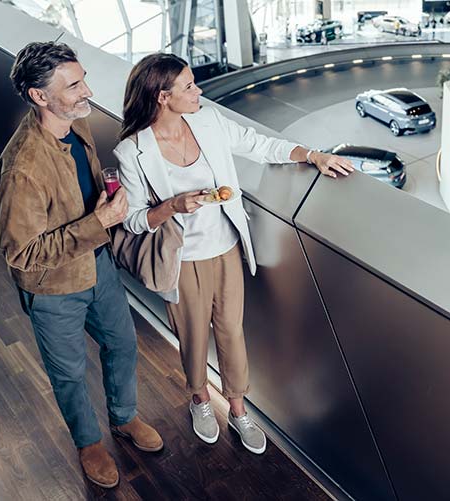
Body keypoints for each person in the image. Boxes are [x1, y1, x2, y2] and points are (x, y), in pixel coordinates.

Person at [114, 54, 354, 452]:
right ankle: (199, 400)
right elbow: (135, 220)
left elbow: (260, 145)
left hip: (226, 247)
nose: (199, 91)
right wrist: (173, 206)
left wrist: (313, 156)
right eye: (189, 86)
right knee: (191, 334)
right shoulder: (131, 152)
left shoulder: (208, 121)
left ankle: (239, 409)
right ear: (162, 97)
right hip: (183, 258)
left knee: (230, 331)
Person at [0, 41, 163, 489]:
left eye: (83, 77)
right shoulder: (21, 169)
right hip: (53, 290)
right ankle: (88, 442)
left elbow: (77, 190)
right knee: (68, 373)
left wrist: (102, 206)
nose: (87, 89)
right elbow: (21, 253)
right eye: (74, 84)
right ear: (39, 96)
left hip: (98, 268)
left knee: (123, 345)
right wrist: (99, 221)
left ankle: (123, 418)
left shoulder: (75, 125)